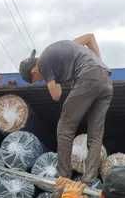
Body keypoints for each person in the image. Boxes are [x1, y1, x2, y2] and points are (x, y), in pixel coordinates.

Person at [19, 34, 113, 183]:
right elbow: (89, 38)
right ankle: (89, 178)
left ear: (33, 72)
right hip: (106, 80)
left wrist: (53, 82)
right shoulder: (67, 47)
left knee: (64, 128)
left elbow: (56, 95)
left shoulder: (43, 63)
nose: (40, 80)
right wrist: (99, 61)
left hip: (88, 77)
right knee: (95, 134)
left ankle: (63, 175)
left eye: (36, 80)